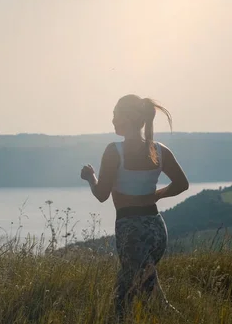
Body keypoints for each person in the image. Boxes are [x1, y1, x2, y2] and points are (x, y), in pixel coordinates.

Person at [80, 94, 189, 320]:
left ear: (127, 118)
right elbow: (182, 184)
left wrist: (89, 177)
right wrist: (155, 196)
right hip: (157, 230)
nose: (112, 120)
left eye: (115, 115)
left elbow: (101, 195)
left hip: (132, 232)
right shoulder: (160, 150)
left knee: (129, 299)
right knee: (136, 292)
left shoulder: (114, 151)